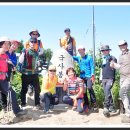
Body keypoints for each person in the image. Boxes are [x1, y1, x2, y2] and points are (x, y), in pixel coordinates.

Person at [0, 36, 26, 117]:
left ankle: (16, 110)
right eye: (6, 44)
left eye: (8, 44)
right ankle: (16, 111)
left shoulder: (6, 55)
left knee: (11, 93)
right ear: (1, 44)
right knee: (10, 93)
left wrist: (10, 64)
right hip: (2, 78)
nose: (8, 45)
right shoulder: (1, 53)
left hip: (3, 79)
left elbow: (10, 63)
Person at [73, 45, 98, 112]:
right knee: (83, 90)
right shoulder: (79, 58)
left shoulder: (89, 58)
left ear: (84, 50)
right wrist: (65, 50)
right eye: (79, 51)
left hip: (89, 76)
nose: (80, 51)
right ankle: (87, 104)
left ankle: (94, 103)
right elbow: (71, 57)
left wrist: (92, 74)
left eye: (81, 50)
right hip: (82, 77)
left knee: (89, 88)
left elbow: (92, 66)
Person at [18, 37, 41, 109]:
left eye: (34, 42)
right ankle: (23, 103)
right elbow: (20, 61)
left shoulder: (36, 52)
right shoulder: (25, 50)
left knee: (37, 89)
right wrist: (23, 53)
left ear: (36, 43)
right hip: (26, 74)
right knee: (24, 89)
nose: (33, 43)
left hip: (34, 73)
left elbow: (37, 62)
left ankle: (37, 103)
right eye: (31, 42)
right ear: (29, 43)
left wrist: (39, 63)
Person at [110, 40, 130, 121]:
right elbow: (120, 67)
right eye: (120, 45)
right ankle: (127, 112)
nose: (122, 46)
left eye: (123, 45)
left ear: (126, 45)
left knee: (122, 93)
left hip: (128, 77)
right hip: (122, 77)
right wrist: (113, 65)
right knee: (125, 95)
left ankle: (128, 113)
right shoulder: (120, 55)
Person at [1, 40, 21, 111]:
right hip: (3, 74)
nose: (15, 46)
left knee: (7, 90)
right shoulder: (4, 52)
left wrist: (11, 64)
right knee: (6, 91)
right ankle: (5, 106)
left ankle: (7, 107)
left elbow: (14, 63)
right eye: (13, 44)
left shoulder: (13, 55)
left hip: (8, 74)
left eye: (16, 45)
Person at [100, 44, 117, 117]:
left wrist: (113, 64)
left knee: (107, 90)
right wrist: (100, 79)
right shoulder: (103, 59)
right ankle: (112, 107)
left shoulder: (112, 58)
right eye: (103, 50)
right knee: (107, 93)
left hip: (110, 78)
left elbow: (115, 66)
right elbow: (101, 69)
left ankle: (106, 106)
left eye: (106, 50)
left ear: (109, 51)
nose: (104, 51)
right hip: (104, 78)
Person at [25, 29, 44, 96]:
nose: (35, 35)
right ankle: (30, 86)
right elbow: (26, 51)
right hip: (29, 60)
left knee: (35, 75)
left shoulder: (39, 42)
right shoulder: (28, 42)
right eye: (33, 34)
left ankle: (34, 88)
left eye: (36, 34)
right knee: (30, 74)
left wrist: (38, 54)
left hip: (37, 58)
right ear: (31, 34)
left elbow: (42, 51)